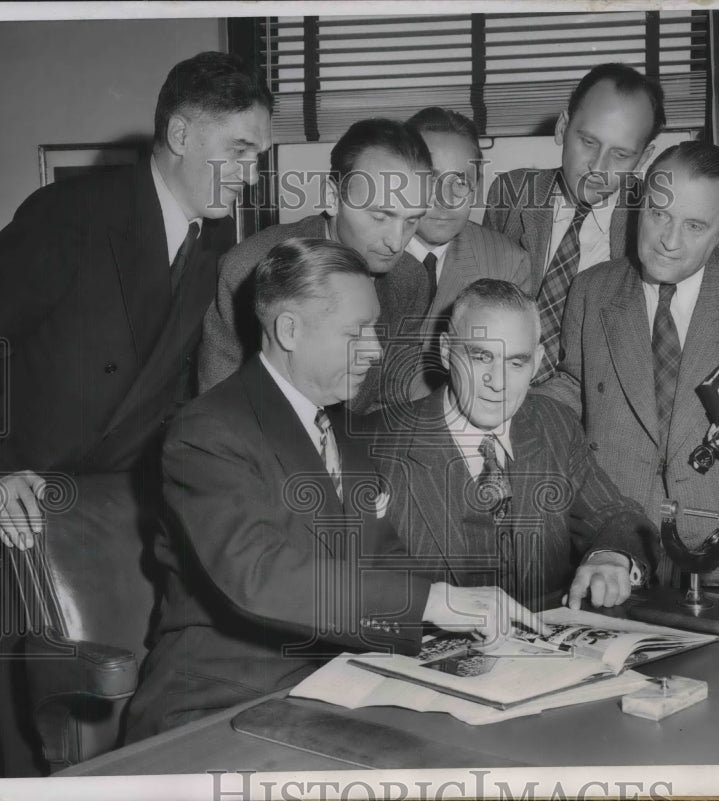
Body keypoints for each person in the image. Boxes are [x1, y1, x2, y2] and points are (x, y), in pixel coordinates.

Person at [0, 51, 270, 776]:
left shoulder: (210, 243)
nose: (252, 173)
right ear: (184, 134)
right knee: (30, 734)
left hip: (114, 509)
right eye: (240, 151)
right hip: (17, 505)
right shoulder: (69, 215)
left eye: (260, 155)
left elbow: (179, 389)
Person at [124, 240, 546, 741]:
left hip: (338, 689)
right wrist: (431, 603)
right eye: (357, 332)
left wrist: (460, 620)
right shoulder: (206, 433)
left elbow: (384, 556)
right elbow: (263, 577)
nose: (375, 349)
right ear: (289, 330)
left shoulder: (343, 427)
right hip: (222, 705)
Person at [539, 141, 719, 581]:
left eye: (695, 225)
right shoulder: (591, 290)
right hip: (620, 539)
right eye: (659, 215)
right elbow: (575, 384)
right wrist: (516, 411)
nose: (669, 241)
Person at [371, 279, 658, 612]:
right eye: (480, 358)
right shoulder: (379, 444)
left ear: (536, 362)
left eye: (516, 363)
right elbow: (347, 588)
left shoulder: (553, 425)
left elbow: (619, 516)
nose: (498, 383)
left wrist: (611, 556)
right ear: (447, 351)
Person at [198, 117, 434, 412]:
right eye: (380, 216)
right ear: (333, 198)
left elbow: (386, 401)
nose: (396, 242)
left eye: (412, 220)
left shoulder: (410, 279)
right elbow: (218, 412)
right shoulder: (248, 267)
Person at [483, 63, 665, 383]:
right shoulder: (511, 194)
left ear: (644, 157)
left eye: (621, 154)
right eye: (589, 142)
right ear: (562, 127)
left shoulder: (661, 215)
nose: (598, 166)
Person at [402, 107, 532, 398]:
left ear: (476, 187)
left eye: (460, 182)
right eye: (429, 181)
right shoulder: (362, 250)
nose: (445, 200)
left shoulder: (507, 265)